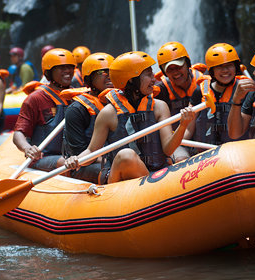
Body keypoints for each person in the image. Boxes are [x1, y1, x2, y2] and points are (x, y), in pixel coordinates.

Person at [63, 51, 195, 184]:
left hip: (156, 173)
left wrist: (183, 125)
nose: (154, 79)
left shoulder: (159, 107)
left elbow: (168, 149)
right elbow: (91, 151)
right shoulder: (108, 113)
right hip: (121, 180)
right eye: (148, 74)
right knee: (126, 155)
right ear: (132, 79)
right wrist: (76, 160)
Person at [13, 48, 75, 171]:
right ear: (49, 72)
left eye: (70, 67)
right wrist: (27, 148)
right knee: (64, 162)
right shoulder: (35, 98)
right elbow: (18, 133)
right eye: (62, 68)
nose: (68, 71)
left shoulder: (76, 96)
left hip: (73, 157)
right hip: (43, 157)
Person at [61, 52, 114, 183]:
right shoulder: (76, 110)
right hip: (85, 164)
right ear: (89, 80)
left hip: (116, 158)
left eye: (111, 72)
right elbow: (80, 153)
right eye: (102, 72)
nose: (109, 77)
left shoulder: (120, 102)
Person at [154, 41, 206, 161]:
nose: (175, 73)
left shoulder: (204, 83)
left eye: (178, 66)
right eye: (170, 69)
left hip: (205, 139)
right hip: (177, 142)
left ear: (187, 64)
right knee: (180, 159)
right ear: (164, 72)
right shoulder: (161, 91)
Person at [187, 43, 245, 149]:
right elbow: (188, 130)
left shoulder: (245, 90)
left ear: (235, 67)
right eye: (219, 66)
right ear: (212, 71)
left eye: (229, 65)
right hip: (205, 154)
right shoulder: (199, 91)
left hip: (237, 153)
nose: (225, 70)